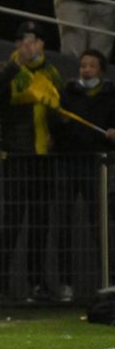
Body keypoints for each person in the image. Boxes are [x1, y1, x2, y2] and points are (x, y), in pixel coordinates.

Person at [0, 20, 64, 302]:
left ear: (42, 44)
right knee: (13, 221)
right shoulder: (6, 69)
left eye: (32, 40)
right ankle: (1, 285)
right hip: (16, 157)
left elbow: (61, 111)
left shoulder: (52, 73)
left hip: (44, 158)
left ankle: (37, 284)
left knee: (41, 223)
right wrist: (14, 66)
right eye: (21, 40)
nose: (26, 45)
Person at [51, 49, 115, 301]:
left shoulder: (111, 94)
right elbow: (56, 125)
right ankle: (66, 283)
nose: (85, 69)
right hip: (69, 163)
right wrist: (62, 126)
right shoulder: (68, 93)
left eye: (91, 66)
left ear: (100, 70)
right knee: (64, 223)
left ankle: (107, 280)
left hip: (97, 166)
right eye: (83, 65)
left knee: (100, 224)